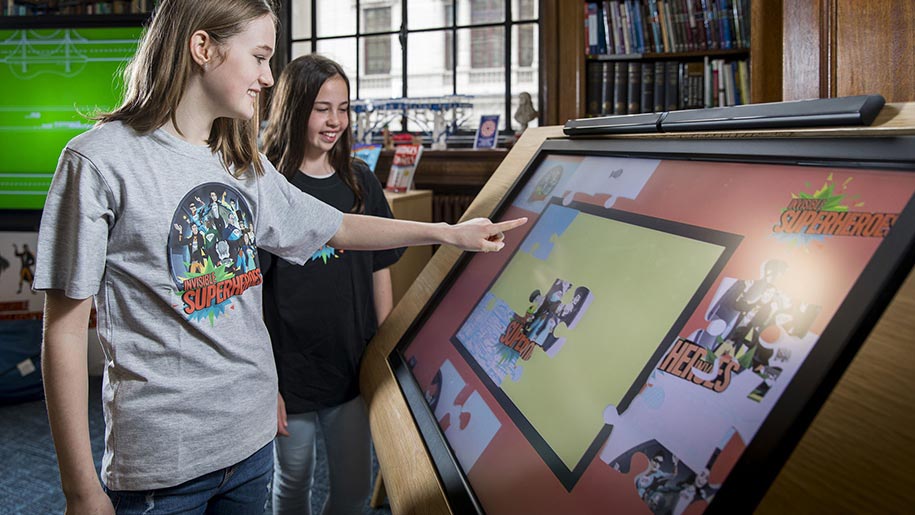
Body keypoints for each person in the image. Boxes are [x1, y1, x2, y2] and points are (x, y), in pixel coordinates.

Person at [33, 1, 526, 514]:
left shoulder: (241, 161)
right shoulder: (97, 162)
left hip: (251, 447)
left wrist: (446, 233)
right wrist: (81, 490)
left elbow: (340, 226)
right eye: (261, 57)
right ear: (203, 48)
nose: (269, 77)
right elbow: (64, 334)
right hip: (165, 464)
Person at [258, 54, 401, 514]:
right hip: (289, 369)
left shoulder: (360, 181)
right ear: (296, 108)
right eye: (323, 108)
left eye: (343, 108)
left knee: (355, 486)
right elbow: (250, 292)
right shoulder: (269, 184)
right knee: (292, 479)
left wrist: (387, 348)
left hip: (351, 364)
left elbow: (381, 267)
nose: (335, 121)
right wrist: (266, 382)